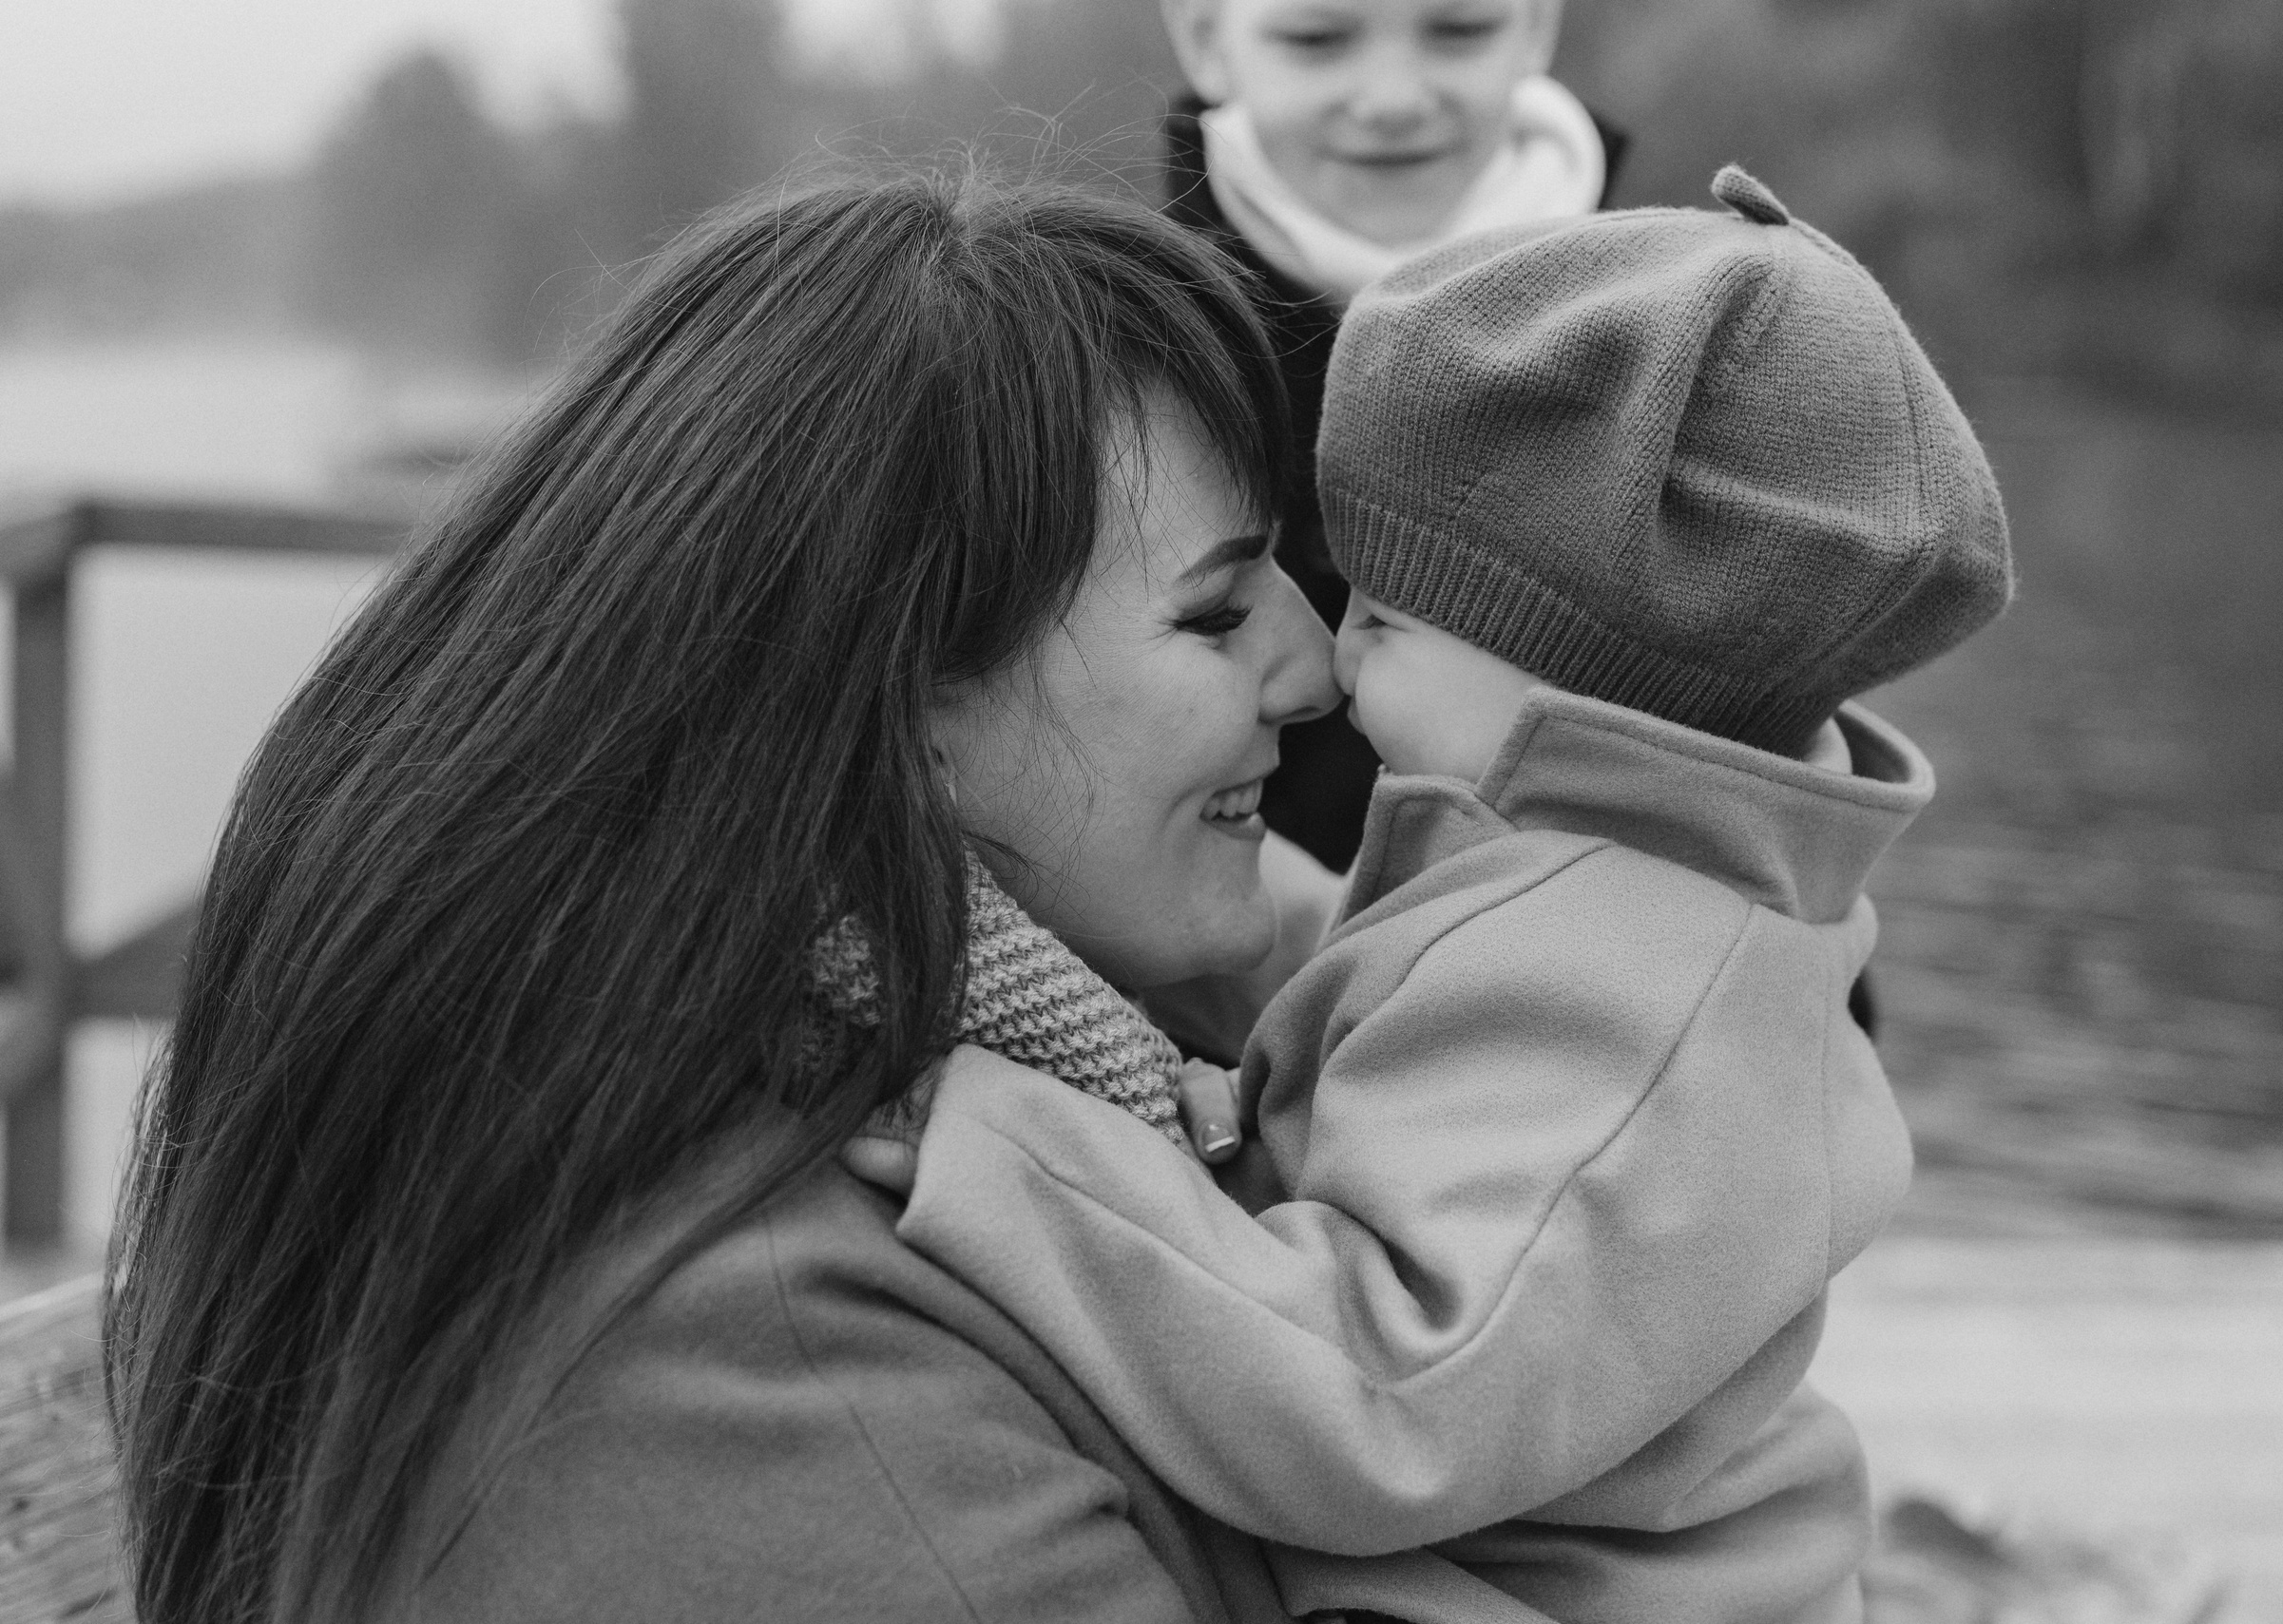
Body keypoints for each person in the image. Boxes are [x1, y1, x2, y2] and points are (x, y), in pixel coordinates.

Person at [102, 169, 1350, 1624]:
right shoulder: (755, 1375)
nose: (1317, 669)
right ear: (896, 699)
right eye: (1215, 610)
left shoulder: (768, 1065)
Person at [861, 168, 2014, 1622]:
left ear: (1580, 673)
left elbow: (1378, 1397)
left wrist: (987, 1129)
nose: (1331, 664)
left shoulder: (1633, 1003)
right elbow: (1355, 979)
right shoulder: (1634, 889)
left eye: (1387, 615)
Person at [1157, 0, 1628, 871]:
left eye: (1460, 31)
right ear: (1203, 39)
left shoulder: (1690, 335)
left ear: (1538, 27)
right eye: (1316, 40)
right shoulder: (1105, 362)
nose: (1393, 99)